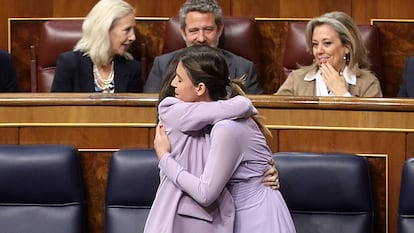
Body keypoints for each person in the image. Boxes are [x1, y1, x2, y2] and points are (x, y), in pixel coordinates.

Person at [148, 45, 295, 233]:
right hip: (212, 216)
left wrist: (165, 158)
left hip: (253, 218)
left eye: (179, 79)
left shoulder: (225, 126)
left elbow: (207, 190)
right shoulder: (179, 113)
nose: (173, 85)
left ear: (200, 88)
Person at [143, 0, 263, 94]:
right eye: (194, 31)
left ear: (219, 30)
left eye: (208, 30)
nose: (201, 38)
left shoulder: (244, 67)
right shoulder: (162, 64)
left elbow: (256, 110)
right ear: (183, 33)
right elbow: (151, 109)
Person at [275, 11, 382, 97]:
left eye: (327, 43)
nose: (319, 51)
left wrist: (342, 94)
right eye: (315, 44)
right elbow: (274, 116)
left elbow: (371, 123)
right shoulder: (296, 79)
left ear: (347, 47)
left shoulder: (368, 84)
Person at [51, 0, 142, 93]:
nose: (133, 37)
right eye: (127, 30)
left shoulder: (133, 69)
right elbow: (57, 107)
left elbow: (135, 107)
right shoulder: (69, 63)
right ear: (105, 30)